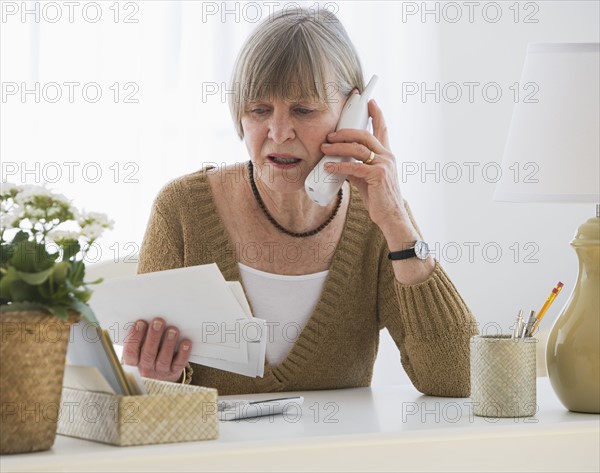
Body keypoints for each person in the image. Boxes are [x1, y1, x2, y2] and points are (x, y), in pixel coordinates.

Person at [122, 7, 478, 396]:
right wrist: (163, 378)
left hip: (335, 457)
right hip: (216, 457)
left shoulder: (379, 219)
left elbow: (460, 378)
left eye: (303, 110)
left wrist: (397, 223)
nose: (277, 132)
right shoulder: (181, 210)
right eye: (259, 110)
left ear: (352, 115)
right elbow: (144, 393)